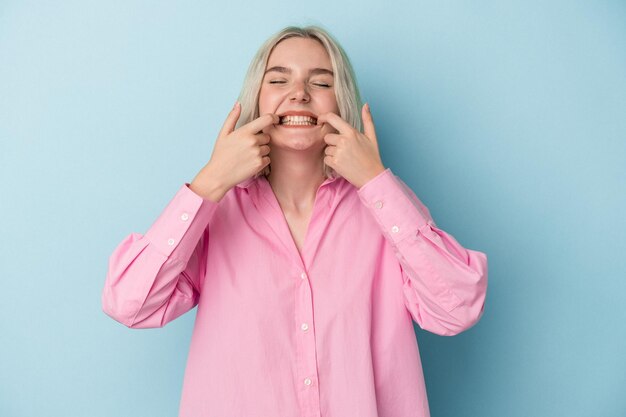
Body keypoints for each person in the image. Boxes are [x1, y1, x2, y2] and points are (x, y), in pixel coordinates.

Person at [102, 25, 488, 417]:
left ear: (342, 103)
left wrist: (376, 182)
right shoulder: (216, 213)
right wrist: (210, 180)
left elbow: (456, 309)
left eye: (320, 82)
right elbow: (131, 304)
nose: (299, 93)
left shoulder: (388, 210)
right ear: (255, 97)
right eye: (278, 79)